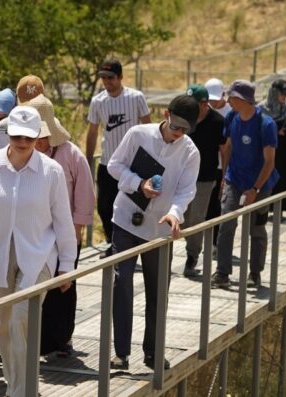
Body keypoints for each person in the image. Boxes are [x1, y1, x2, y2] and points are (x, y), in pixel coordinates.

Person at [0, 106, 77, 397]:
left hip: (39, 255)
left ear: (38, 136)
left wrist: (67, 265)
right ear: (7, 133)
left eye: (28, 136)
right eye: (16, 135)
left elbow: (64, 220)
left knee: (20, 320)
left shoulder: (51, 171)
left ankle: (21, 392)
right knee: (0, 325)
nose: (22, 142)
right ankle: (19, 385)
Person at [107, 95, 201, 371]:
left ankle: (153, 351)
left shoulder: (190, 152)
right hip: (125, 220)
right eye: (175, 127)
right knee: (121, 284)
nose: (178, 134)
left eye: (184, 130)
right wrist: (139, 184)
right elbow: (114, 165)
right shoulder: (138, 134)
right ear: (166, 114)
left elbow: (186, 191)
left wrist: (174, 213)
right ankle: (121, 352)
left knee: (158, 292)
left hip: (160, 230)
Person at [27, 94, 95, 357]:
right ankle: (36, 341)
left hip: (64, 234)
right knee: (34, 286)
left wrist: (76, 232)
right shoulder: (26, 153)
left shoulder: (70, 155)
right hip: (34, 233)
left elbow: (84, 195)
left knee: (63, 287)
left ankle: (62, 340)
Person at [212, 80, 278, 290]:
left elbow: (269, 161)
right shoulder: (232, 117)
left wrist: (255, 190)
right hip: (234, 179)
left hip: (259, 183)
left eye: (231, 97)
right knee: (226, 223)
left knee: (256, 228)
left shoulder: (266, 124)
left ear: (242, 99)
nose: (228, 100)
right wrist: (224, 178)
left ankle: (255, 273)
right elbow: (228, 147)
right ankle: (222, 272)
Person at [86, 59, 151, 246]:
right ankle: (111, 241)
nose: (107, 82)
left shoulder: (136, 97)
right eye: (103, 78)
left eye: (111, 77)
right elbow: (92, 132)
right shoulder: (98, 101)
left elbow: (148, 127)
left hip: (132, 164)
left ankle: (126, 244)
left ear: (120, 77)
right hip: (108, 162)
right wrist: (88, 160)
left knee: (131, 207)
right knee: (104, 207)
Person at [182, 84, 226, 278]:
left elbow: (225, 150)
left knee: (196, 218)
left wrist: (224, 176)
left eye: (195, 103)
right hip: (182, 176)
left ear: (205, 104)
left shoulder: (217, 121)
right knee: (181, 218)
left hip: (205, 177)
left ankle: (191, 257)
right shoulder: (184, 117)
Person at [261, 79, 286, 214]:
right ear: (274, 93)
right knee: (270, 179)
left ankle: (281, 210)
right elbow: (258, 128)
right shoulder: (262, 109)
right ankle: (268, 208)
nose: (285, 97)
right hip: (270, 151)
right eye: (282, 94)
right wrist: (275, 131)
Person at [204, 78, 231, 247]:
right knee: (206, 206)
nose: (213, 102)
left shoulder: (230, 112)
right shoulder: (203, 110)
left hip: (225, 164)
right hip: (208, 164)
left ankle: (216, 243)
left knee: (219, 206)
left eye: (215, 98)